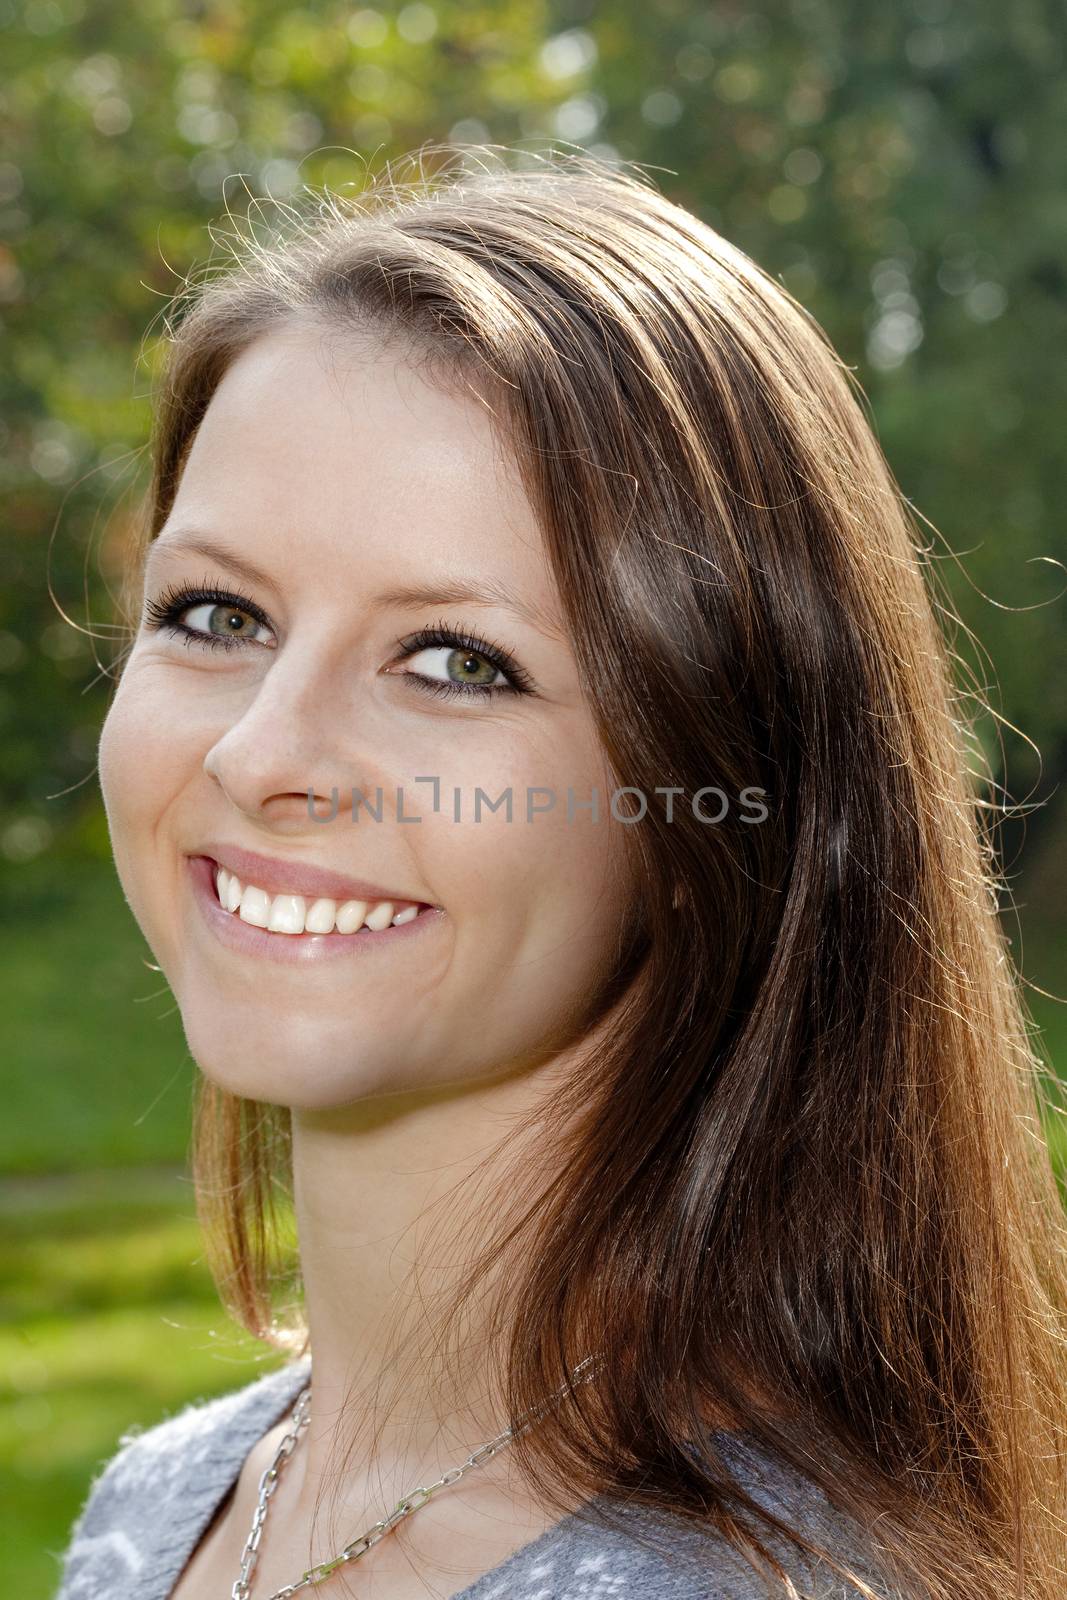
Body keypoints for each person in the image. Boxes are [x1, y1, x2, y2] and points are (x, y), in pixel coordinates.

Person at [52, 146, 1067, 1600]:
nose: (265, 751)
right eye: (215, 612)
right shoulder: (159, 1507)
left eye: (457, 661)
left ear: (714, 800)